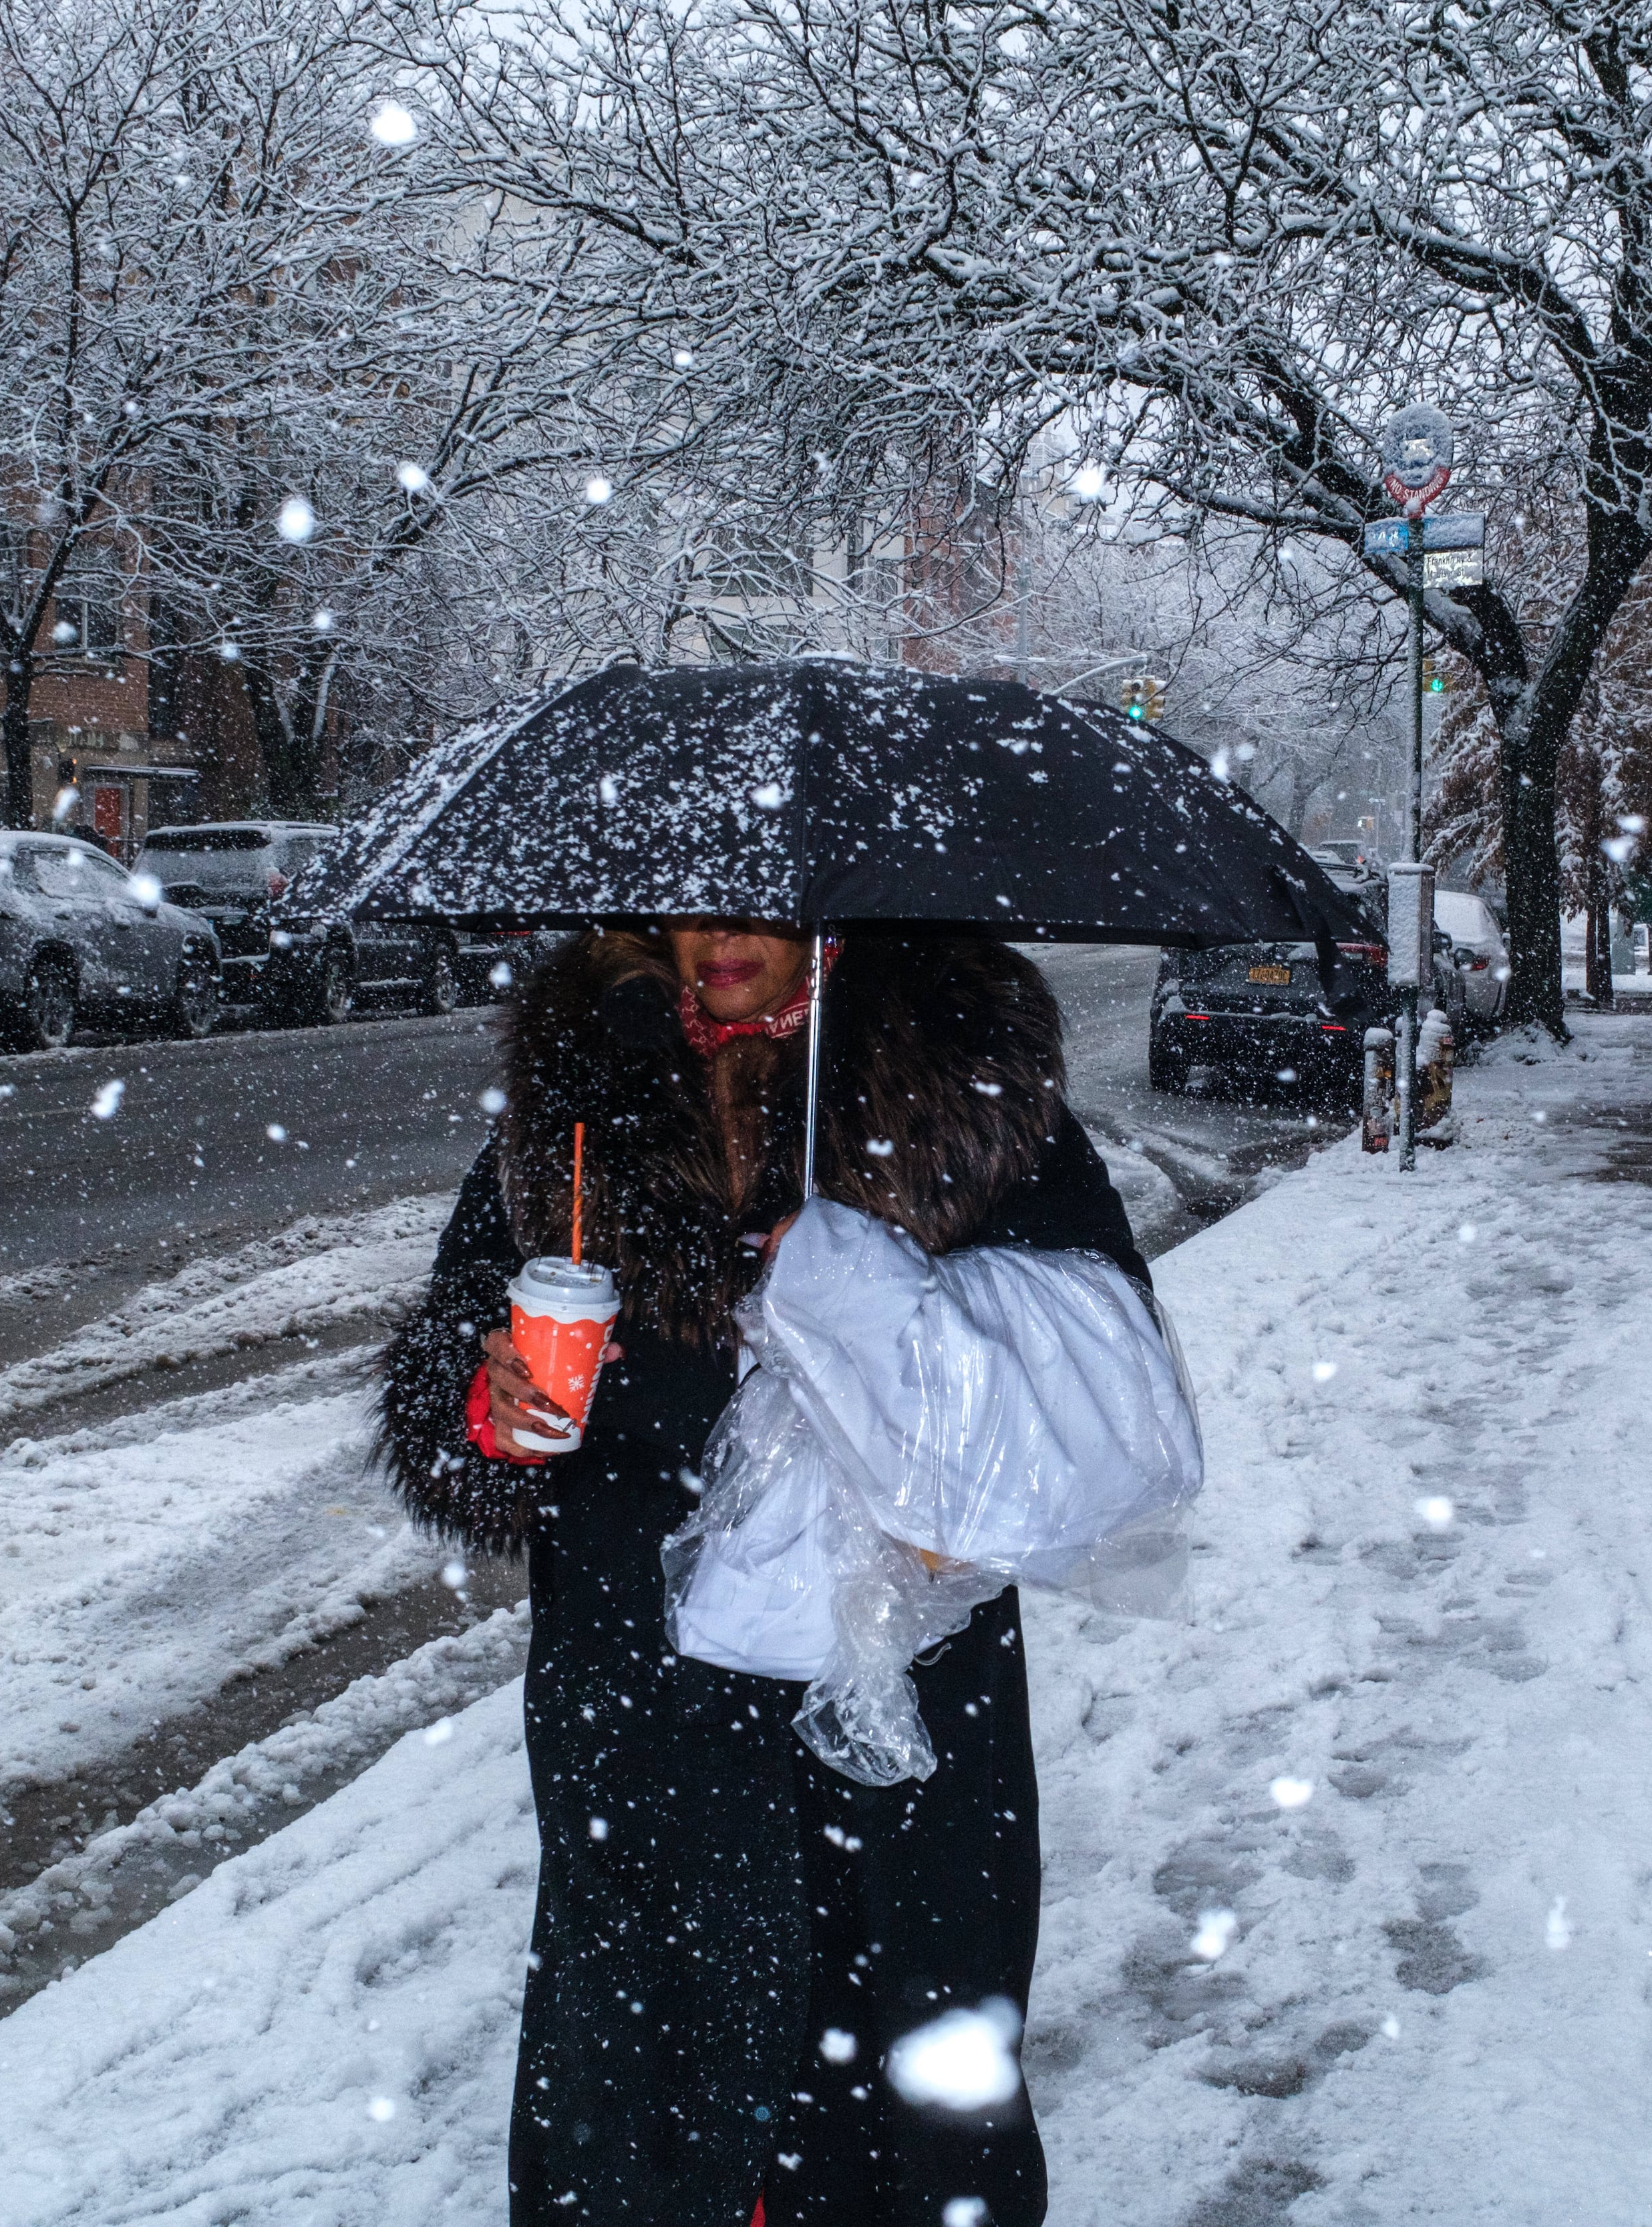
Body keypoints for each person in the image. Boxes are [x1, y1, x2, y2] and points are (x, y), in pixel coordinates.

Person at [375, 918, 1148, 2227]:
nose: (718, 937)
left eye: (755, 904)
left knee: (913, 2057)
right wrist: (481, 1403)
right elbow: (452, 1347)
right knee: (641, 2061)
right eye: (688, 900)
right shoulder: (582, 1102)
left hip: (897, 1692)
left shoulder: (958, 1086)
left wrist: (959, 1462)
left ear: (830, 913)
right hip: (644, 1692)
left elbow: (1098, 1371)